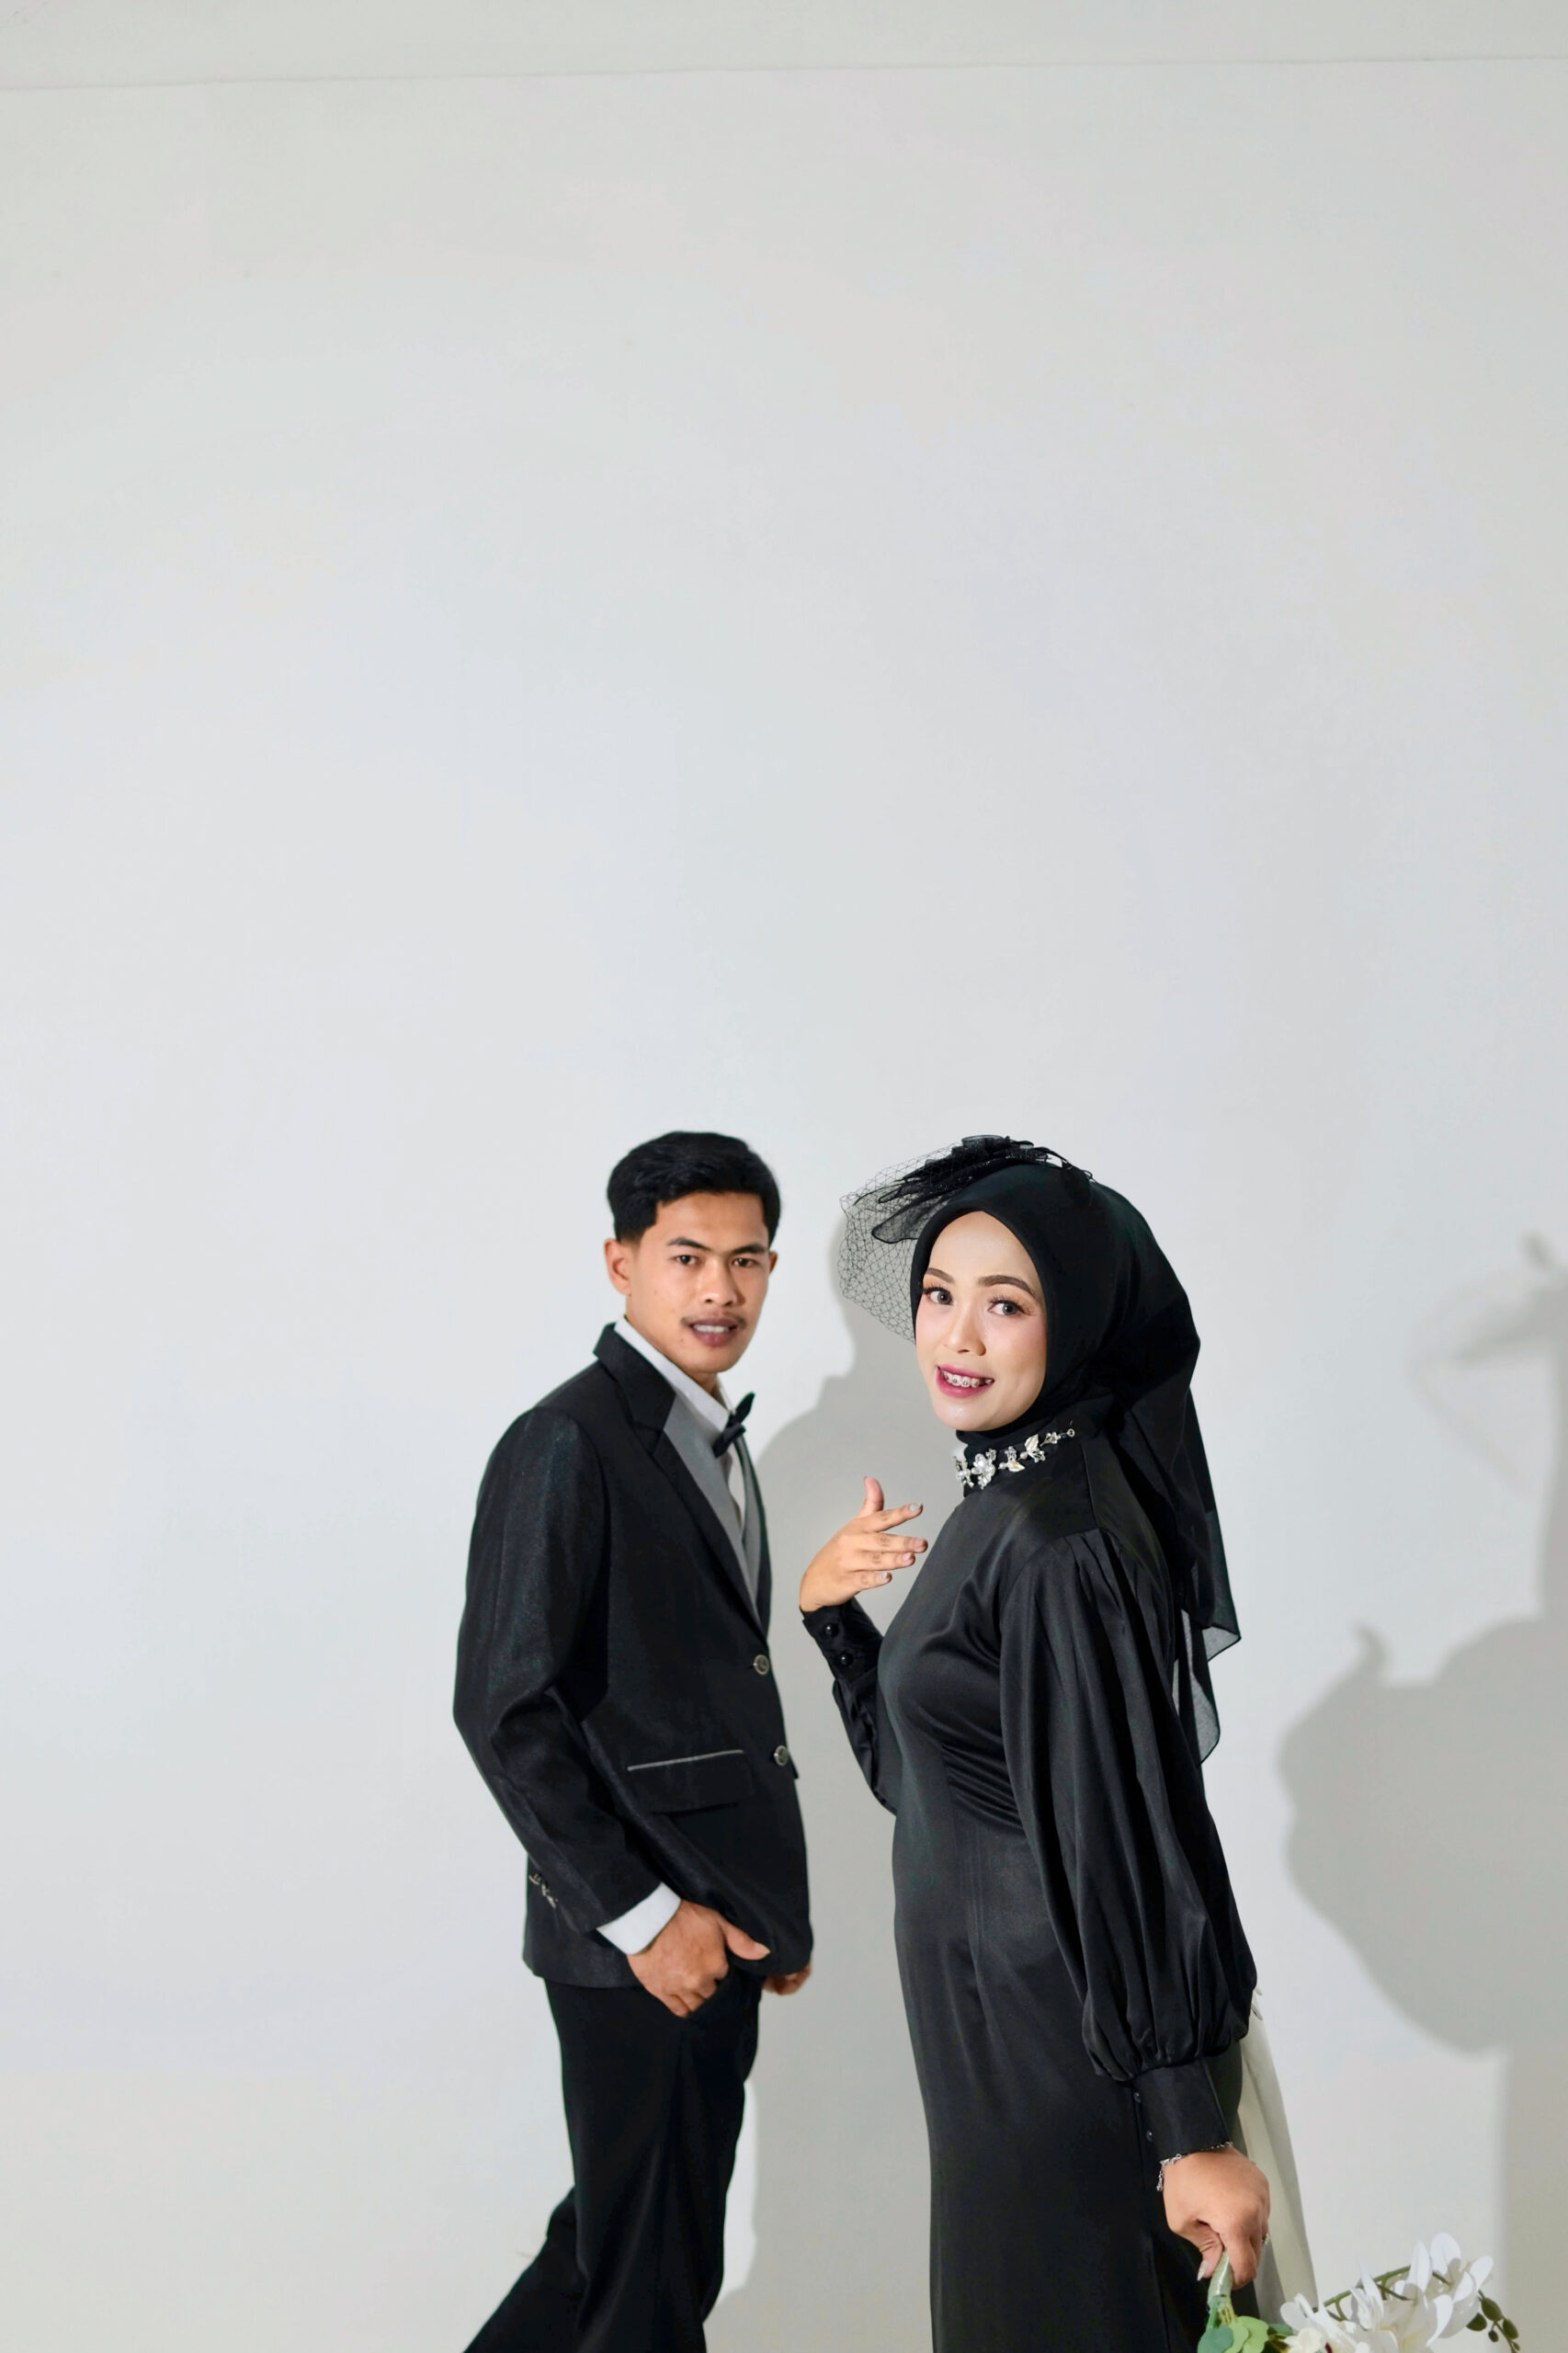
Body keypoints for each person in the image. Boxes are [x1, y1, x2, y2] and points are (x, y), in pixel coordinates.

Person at [800, 1136, 1270, 2353]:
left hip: (1066, 2059)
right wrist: (834, 1623)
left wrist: (1187, 2129)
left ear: (1074, 1324)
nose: (956, 1336)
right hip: (994, 2052)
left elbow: (1124, 1831)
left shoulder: (1060, 1542)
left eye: (1004, 1305)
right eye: (938, 1296)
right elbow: (932, 1788)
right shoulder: (1001, 1502)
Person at [454, 1131, 812, 2353]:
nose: (721, 1289)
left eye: (747, 1260)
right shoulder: (567, 1439)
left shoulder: (709, 1433)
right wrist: (647, 1920)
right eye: (687, 1257)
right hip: (640, 1941)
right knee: (649, 2285)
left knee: (609, 2256)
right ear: (621, 1264)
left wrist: (760, 1900)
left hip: (713, 1924)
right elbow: (503, 1709)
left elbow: (705, 1696)